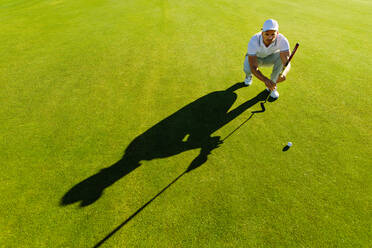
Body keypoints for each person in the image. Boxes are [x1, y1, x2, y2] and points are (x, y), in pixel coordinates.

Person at [243, 19, 291, 99]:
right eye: (267, 34)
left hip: (270, 58)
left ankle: (272, 85)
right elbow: (253, 67)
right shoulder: (254, 40)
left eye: (273, 34)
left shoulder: (283, 40)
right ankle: (248, 76)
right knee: (248, 68)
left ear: (277, 33)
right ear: (262, 32)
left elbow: (287, 62)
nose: (270, 37)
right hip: (256, 59)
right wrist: (265, 80)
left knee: (281, 58)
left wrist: (284, 73)